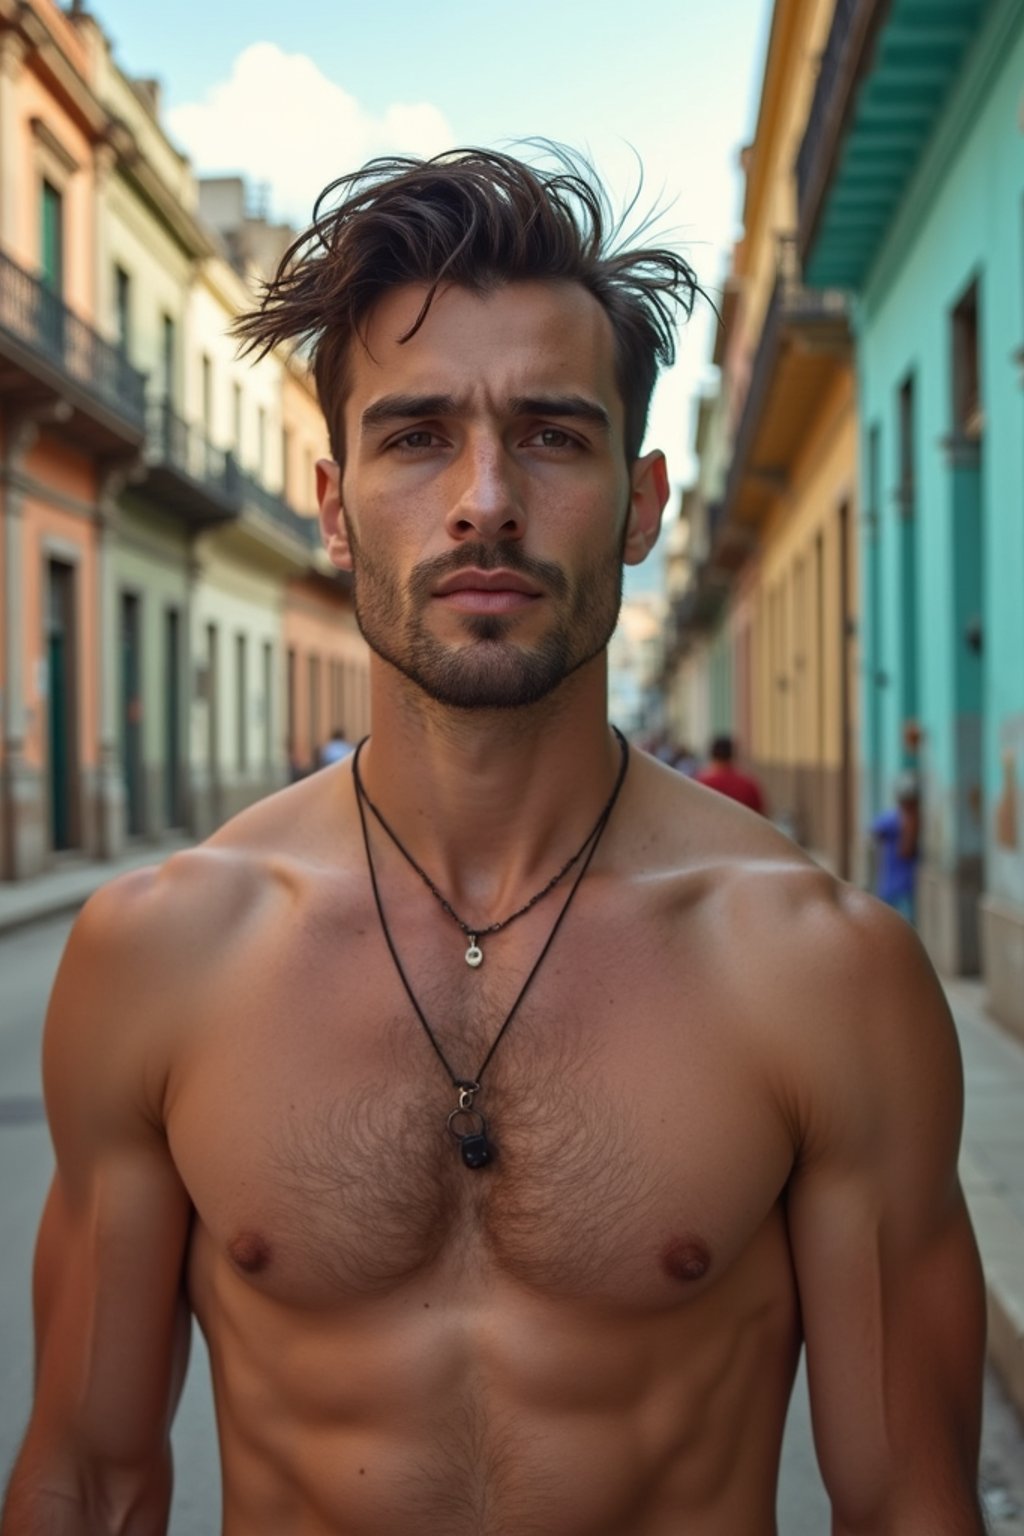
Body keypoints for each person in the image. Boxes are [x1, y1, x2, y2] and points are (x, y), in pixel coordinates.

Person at [2, 148, 985, 1535]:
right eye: (414, 437)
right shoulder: (164, 952)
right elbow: (88, 1479)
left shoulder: (823, 975)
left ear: (641, 503)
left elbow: (913, 1505)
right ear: (336, 510)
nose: (484, 501)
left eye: (551, 433)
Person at [872, 771, 922, 922]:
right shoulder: (894, 819)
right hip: (892, 885)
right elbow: (875, 830)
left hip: (904, 886)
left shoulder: (912, 820)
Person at [695, 731, 766, 813]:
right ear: (733, 754)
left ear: (711, 755)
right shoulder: (748, 785)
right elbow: (762, 815)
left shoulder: (700, 784)